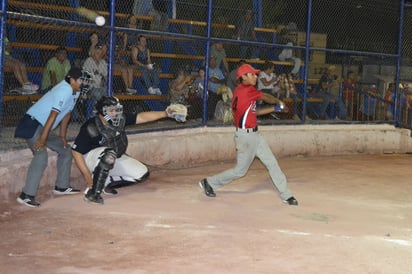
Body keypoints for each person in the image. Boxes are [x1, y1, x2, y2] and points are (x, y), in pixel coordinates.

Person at [198, 64, 298, 206]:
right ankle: (209, 182)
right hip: (246, 137)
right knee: (240, 171)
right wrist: (278, 101)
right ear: (243, 77)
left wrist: (275, 108)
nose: (255, 76)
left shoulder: (241, 91)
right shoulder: (246, 90)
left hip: (254, 136)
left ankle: (286, 194)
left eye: (255, 74)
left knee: (272, 163)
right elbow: (266, 96)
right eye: (252, 74)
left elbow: (254, 113)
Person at [71, 96, 187, 205]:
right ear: (102, 112)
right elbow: (76, 152)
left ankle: (106, 182)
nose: (115, 113)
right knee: (109, 154)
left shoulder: (120, 119)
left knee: (141, 173)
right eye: (111, 111)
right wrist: (87, 176)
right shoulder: (91, 127)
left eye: (117, 110)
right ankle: (92, 193)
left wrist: (165, 113)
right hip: (91, 160)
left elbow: (141, 117)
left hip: (112, 157)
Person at [14, 68, 90, 208]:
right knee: (41, 154)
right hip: (32, 123)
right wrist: (42, 140)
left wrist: (62, 136)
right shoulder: (65, 90)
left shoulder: (75, 91)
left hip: (45, 126)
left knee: (66, 150)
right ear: (71, 80)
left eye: (84, 80)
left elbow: (67, 114)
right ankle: (26, 195)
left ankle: (62, 186)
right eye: (81, 80)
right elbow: (53, 115)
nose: (83, 83)